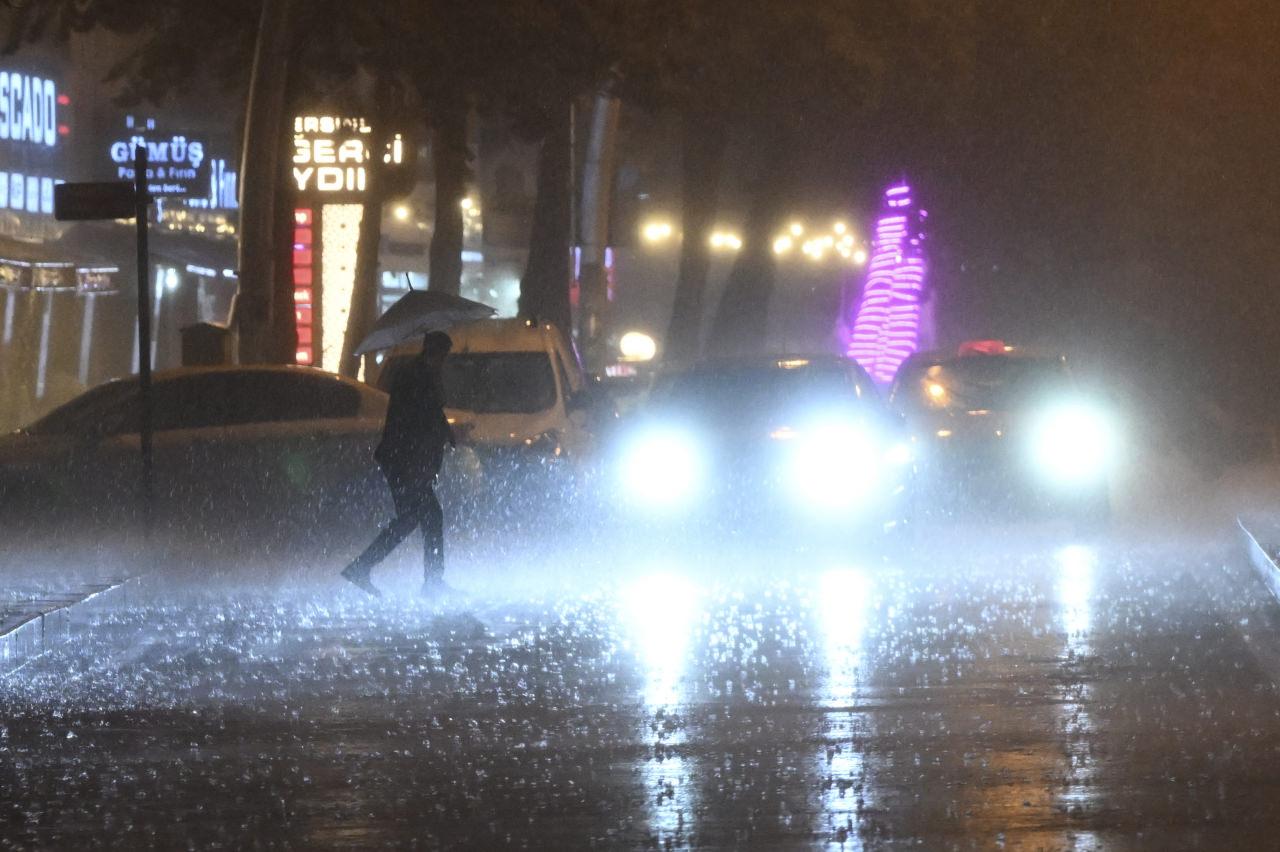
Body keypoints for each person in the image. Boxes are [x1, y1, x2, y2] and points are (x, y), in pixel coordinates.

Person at [342, 331, 456, 597]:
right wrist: (424, 458)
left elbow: (428, 416)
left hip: (406, 459)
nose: (444, 361)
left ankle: (364, 567)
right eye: (443, 355)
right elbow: (416, 420)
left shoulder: (421, 375)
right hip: (405, 461)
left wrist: (445, 434)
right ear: (436, 352)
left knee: (415, 518)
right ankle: (430, 582)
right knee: (424, 516)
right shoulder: (416, 377)